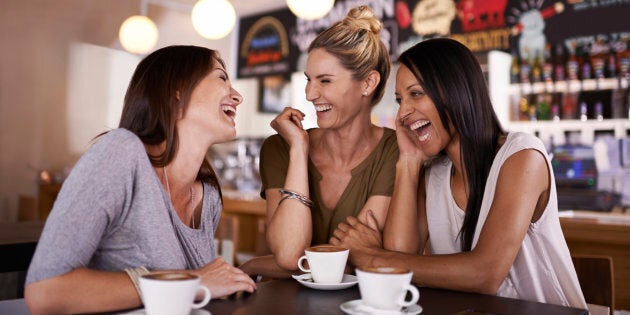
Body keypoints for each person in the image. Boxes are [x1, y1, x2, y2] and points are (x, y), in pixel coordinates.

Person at [330, 38, 588, 309]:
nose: (403, 113)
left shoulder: (522, 156)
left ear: (456, 91)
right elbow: (402, 260)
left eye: (416, 94)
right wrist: (408, 161)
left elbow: (484, 274)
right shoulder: (433, 173)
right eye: (399, 100)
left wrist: (372, 257)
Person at [24, 45, 256, 314]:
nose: (237, 96)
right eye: (222, 77)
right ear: (177, 89)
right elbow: (45, 292)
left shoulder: (207, 195)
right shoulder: (121, 152)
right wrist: (190, 282)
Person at [242, 5, 397, 275]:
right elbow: (291, 254)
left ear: (368, 83)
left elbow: (353, 260)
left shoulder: (394, 150)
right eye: (309, 80)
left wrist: (254, 265)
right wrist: (299, 150)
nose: (310, 93)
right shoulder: (280, 147)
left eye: (325, 81)